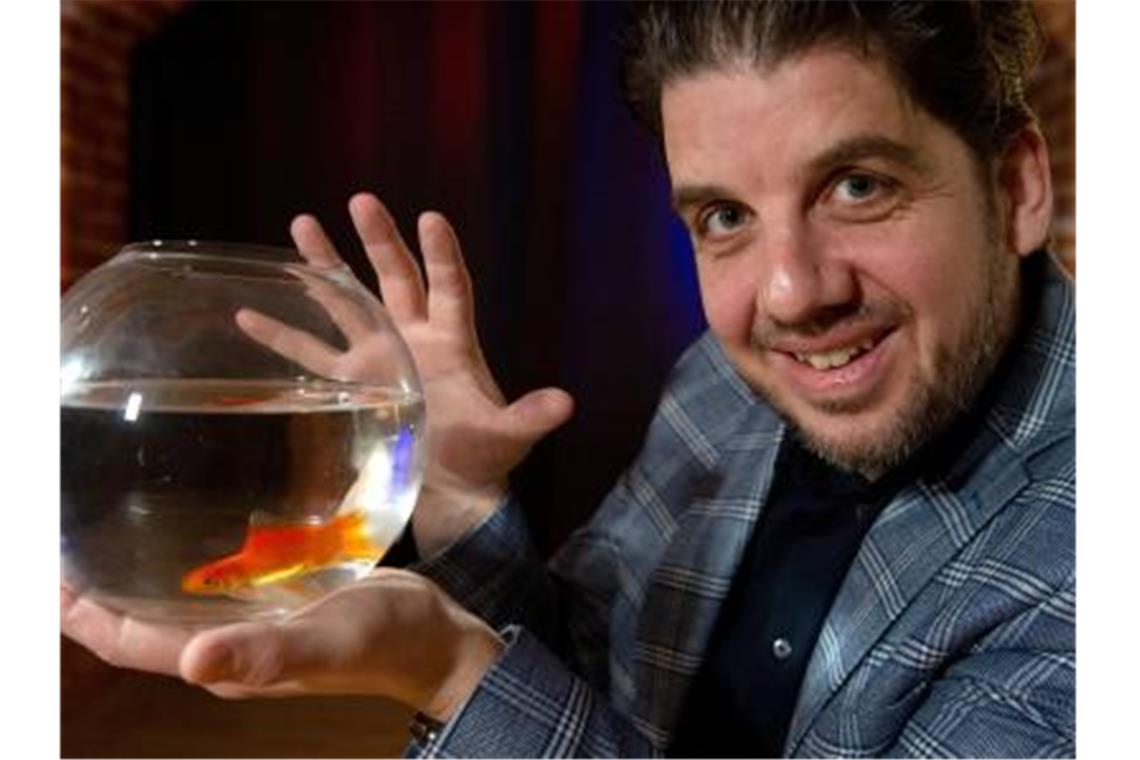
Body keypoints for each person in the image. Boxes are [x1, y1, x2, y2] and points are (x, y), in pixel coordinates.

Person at [61, 1, 1075, 756]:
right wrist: (458, 501)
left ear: (1019, 187)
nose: (792, 292)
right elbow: (590, 667)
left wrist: (446, 669)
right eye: (724, 216)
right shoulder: (723, 382)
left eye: (859, 186)